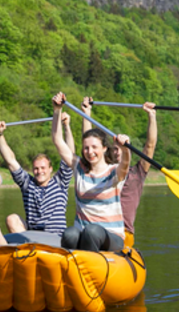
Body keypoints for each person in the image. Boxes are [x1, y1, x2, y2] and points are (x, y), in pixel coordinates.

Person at [51, 92, 131, 252]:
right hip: (83, 234)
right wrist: (57, 110)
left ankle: (91, 268)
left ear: (104, 148)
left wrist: (125, 148)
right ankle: (70, 266)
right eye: (86, 148)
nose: (90, 151)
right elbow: (57, 140)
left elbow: (125, 163)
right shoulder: (79, 167)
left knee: (92, 230)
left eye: (94, 147)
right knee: (70, 233)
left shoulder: (114, 172)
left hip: (111, 236)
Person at [81, 97, 157, 248]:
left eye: (122, 148)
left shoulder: (137, 173)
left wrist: (152, 116)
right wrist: (86, 113)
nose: (118, 152)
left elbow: (150, 145)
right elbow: (89, 142)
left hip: (123, 232)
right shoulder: (103, 171)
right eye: (115, 148)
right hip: (98, 229)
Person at [0, 113, 75, 235]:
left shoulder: (60, 182)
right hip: (33, 238)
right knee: (12, 219)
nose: (39, 171)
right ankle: (27, 249)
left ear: (50, 169)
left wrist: (66, 126)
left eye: (43, 168)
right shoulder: (27, 183)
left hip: (57, 237)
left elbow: (69, 154)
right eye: (36, 168)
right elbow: (10, 160)